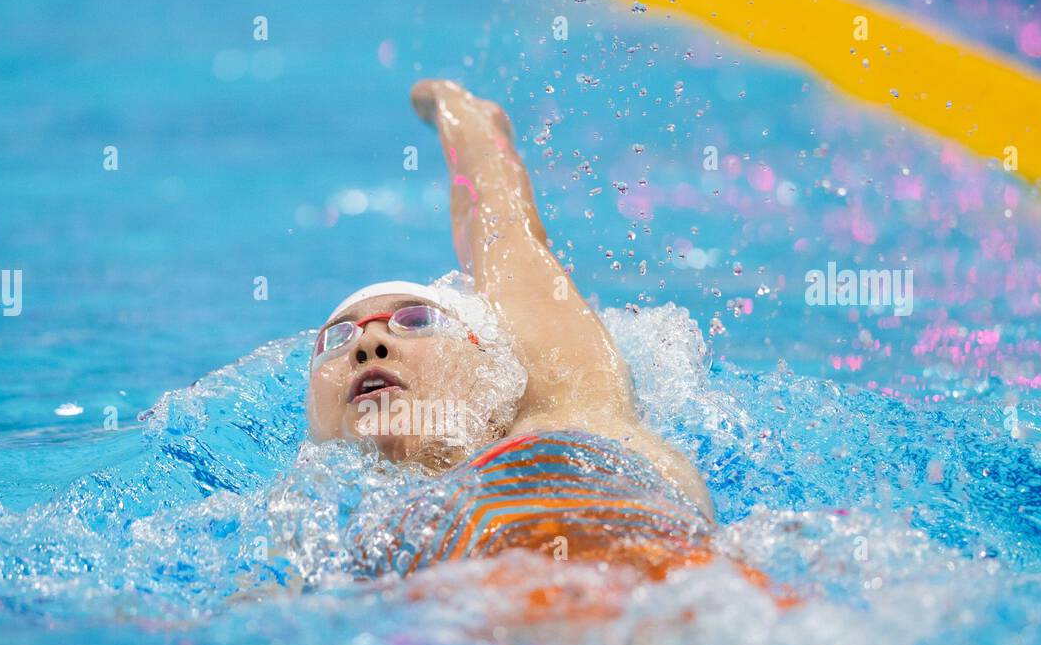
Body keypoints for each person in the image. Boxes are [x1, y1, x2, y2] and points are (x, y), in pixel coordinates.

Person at [305, 79, 745, 586]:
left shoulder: (567, 407)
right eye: (336, 339)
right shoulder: (335, 539)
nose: (368, 343)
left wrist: (462, 117)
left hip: (666, 588)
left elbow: (503, 226)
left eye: (416, 321)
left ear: (491, 364)